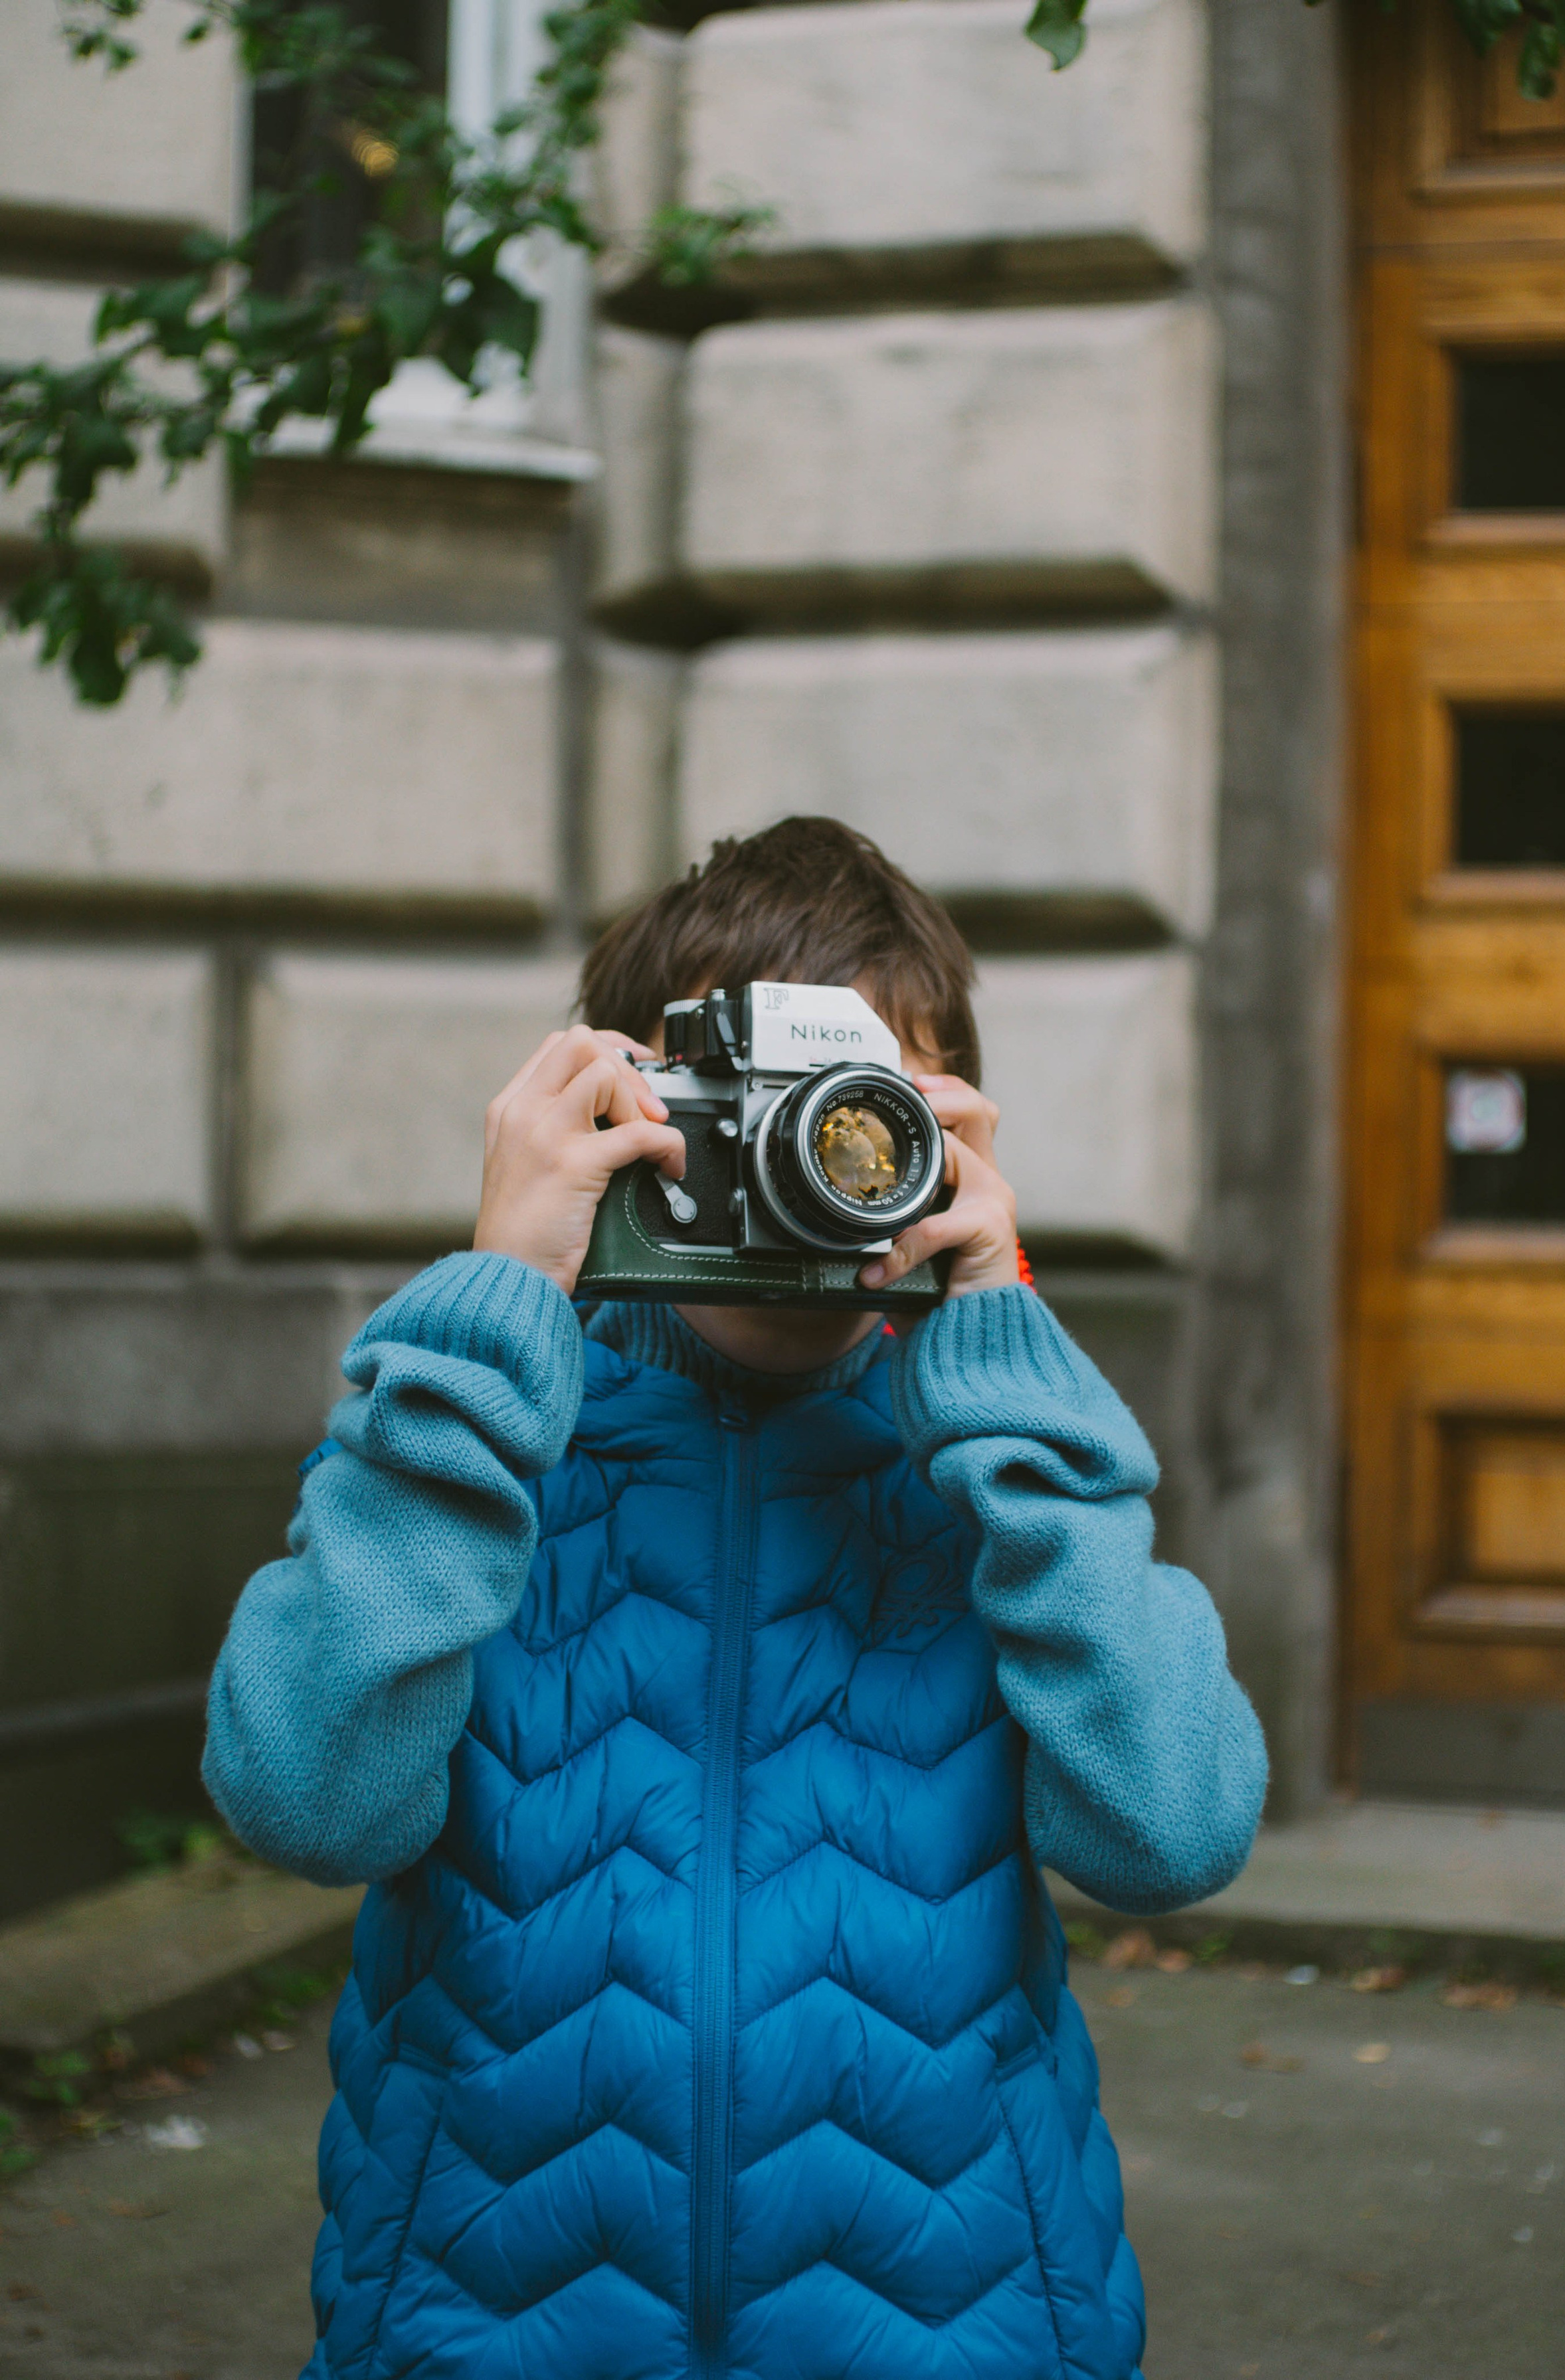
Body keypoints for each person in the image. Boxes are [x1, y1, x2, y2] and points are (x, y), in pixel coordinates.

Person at [203, 816, 1267, 2380]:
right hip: (491, 2327)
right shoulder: (485, 1444)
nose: (804, 1176)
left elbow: (1171, 1834)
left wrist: (1000, 1354)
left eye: (856, 1125)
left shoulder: (989, 1477)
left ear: (943, 1138)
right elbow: (302, 1797)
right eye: (748, 1119)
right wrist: (502, 1299)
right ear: (626, 1113)